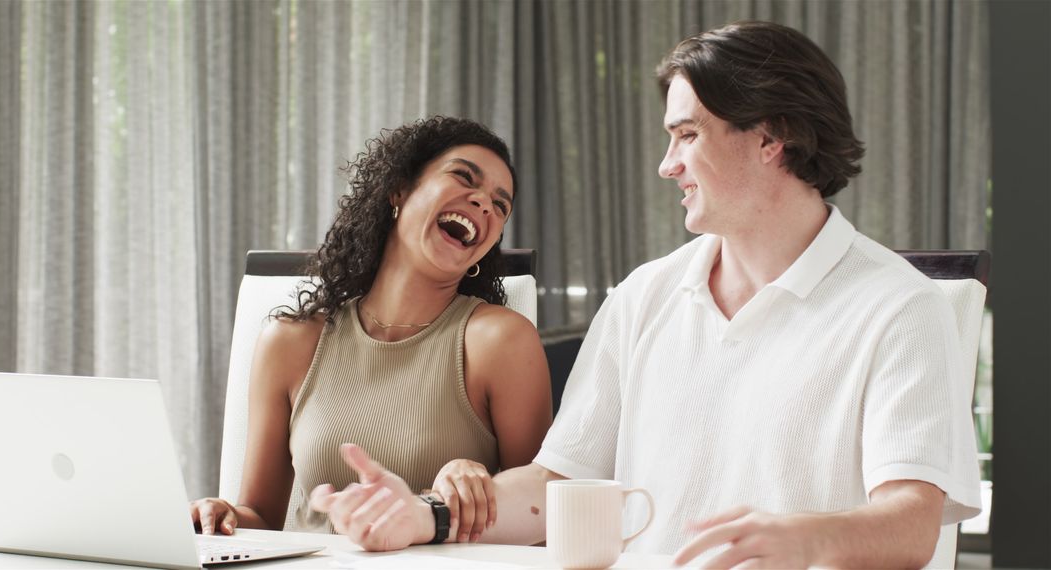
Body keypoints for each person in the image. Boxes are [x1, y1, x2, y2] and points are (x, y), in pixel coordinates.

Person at [309, 21, 982, 568]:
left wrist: (807, 540)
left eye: (687, 135)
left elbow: (910, 524)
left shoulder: (900, 307)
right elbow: (560, 488)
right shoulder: (645, 295)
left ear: (773, 137)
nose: (668, 165)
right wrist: (427, 515)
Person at [189, 116, 553, 545]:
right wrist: (220, 516)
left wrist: (476, 487)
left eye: (501, 204)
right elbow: (262, 518)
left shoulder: (500, 341)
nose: (485, 204)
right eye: (462, 176)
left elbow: (543, 521)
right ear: (399, 189)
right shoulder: (290, 341)